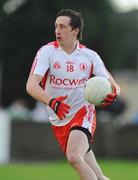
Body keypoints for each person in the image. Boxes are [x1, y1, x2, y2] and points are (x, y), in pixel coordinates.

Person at [26, 9, 120, 180]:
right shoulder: (47, 52)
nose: (57, 31)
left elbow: (114, 86)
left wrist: (113, 94)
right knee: (99, 176)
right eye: (56, 26)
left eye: (62, 26)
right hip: (59, 118)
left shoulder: (90, 56)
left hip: (83, 112)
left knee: (74, 157)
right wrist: (52, 102)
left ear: (75, 31)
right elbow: (31, 85)